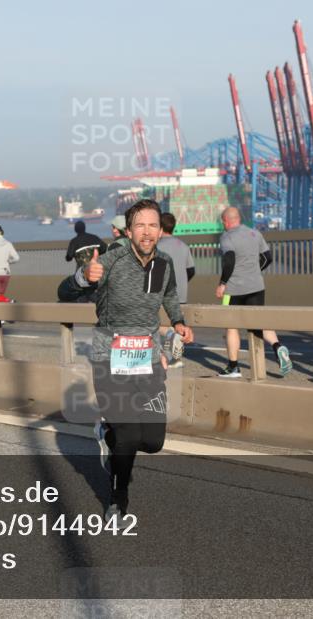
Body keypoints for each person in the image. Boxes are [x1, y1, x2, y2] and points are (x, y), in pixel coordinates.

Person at [61, 199, 194, 526]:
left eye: (153, 225)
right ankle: (117, 502)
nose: (147, 232)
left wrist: (178, 321)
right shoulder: (108, 261)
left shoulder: (163, 262)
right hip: (110, 359)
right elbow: (64, 291)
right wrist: (83, 276)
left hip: (148, 360)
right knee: (129, 436)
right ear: (129, 230)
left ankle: (106, 433)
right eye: (140, 225)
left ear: (161, 231)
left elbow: (169, 296)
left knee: (153, 441)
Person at [215, 207, 292, 378]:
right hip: (256, 286)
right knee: (258, 322)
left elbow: (229, 260)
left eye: (223, 222)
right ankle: (278, 347)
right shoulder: (254, 233)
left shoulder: (227, 236)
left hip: (234, 289)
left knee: (231, 327)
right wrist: (254, 272)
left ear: (226, 221)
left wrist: (222, 283)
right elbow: (267, 258)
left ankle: (233, 367)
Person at [156, 213, 194, 368]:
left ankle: (168, 352)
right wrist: (181, 282)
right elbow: (191, 270)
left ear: (161, 227)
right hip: (181, 292)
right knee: (178, 324)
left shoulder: (156, 247)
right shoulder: (183, 246)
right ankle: (176, 359)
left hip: (162, 293)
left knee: (156, 324)